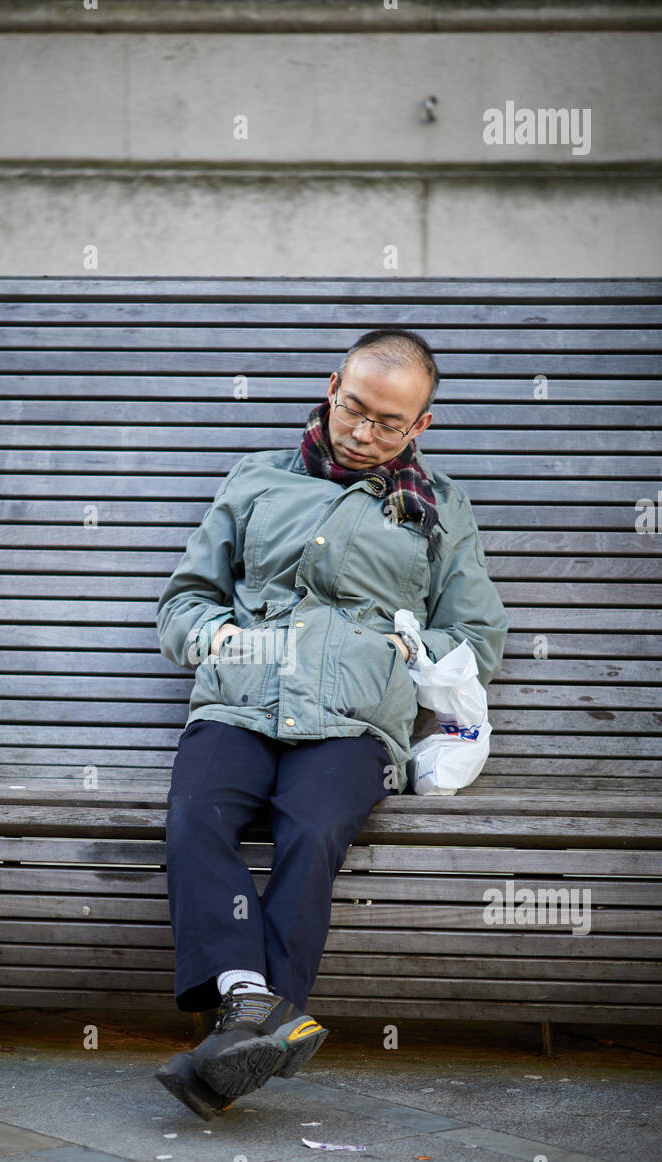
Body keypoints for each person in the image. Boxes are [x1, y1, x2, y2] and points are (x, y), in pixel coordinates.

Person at [153, 328, 509, 1119]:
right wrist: (216, 635)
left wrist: (399, 648)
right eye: (355, 408)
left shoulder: (439, 507)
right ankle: (258, 1005)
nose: (364, 431)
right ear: (331, 387)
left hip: (354, 719)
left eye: (390, 422)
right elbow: (181, 604)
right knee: (193, 817)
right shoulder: (256, 480)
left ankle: (239, 1031)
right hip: (241, 700)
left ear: (420, 427)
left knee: (311, 829)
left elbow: (479, 638)